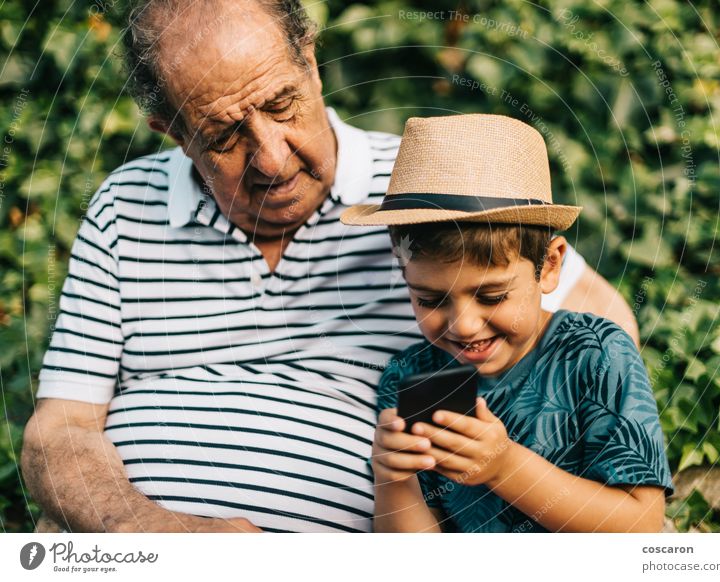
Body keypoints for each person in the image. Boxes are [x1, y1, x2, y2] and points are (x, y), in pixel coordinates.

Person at [22, 0, 640, 533]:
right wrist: (152, 533)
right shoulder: (127, 205)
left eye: (282, 104)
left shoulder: (420, 190)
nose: (271, 159)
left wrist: (513, 476)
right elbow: (59, 432)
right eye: (223, 136)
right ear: (173, 132)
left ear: (311, 65)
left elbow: (600, 318)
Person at [341, 114, 672, 532]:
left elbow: (641, 524)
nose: (463, 325)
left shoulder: (597, 353)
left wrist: (503, 467)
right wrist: (394, 479)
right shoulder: (413, 377)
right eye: (429, 299)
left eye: (492, 296)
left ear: (549, 266)